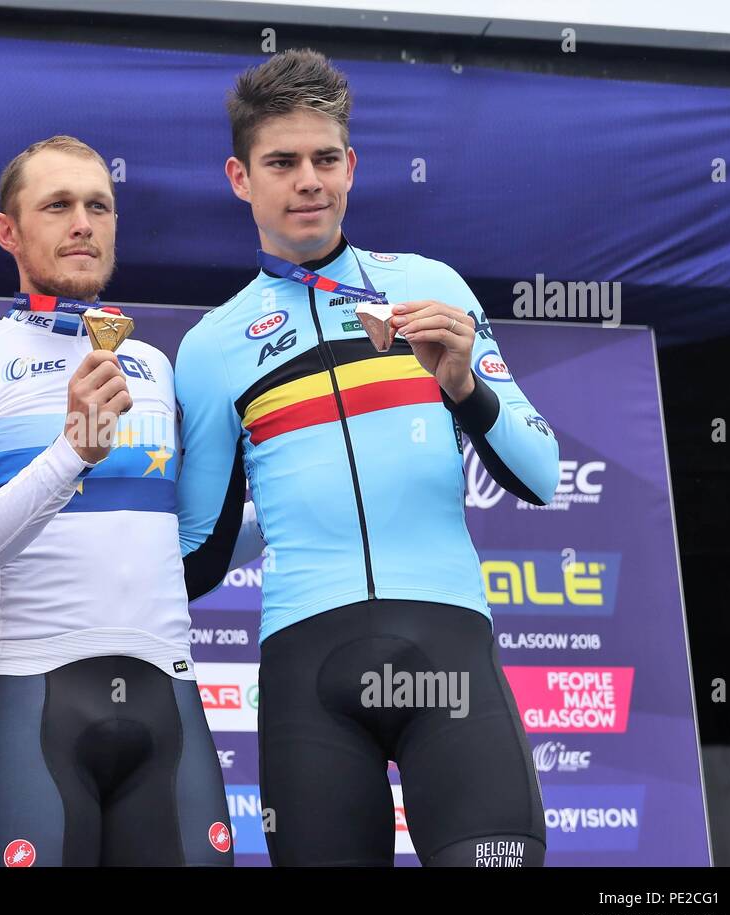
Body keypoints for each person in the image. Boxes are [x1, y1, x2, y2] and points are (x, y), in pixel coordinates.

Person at [176, 50, 559, 867]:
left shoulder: (429, 285)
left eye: (324, 159)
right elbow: (197, 558)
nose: (307, 179)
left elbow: (541, 476)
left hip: (448, 655)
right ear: (241, 177)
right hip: (306, 673)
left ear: (350, 167)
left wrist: (464, 388)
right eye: (282, 162)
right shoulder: (210, 348)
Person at [0, 136, 240, 866]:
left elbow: (193, 538)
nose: (83, 223)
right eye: (57, 205)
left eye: (99, 205)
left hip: (169, 691)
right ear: (8, 231)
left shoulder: (151, 364)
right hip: (33, 693)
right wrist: (70, 455)